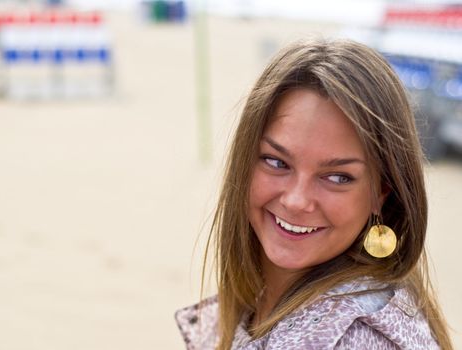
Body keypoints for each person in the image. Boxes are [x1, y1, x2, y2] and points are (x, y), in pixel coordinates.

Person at [175, 39, 453, 349]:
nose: (296, 200)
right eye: (276, 162)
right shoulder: (265, 303)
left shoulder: (354, 340)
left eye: (337, 177)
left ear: (382, 192)